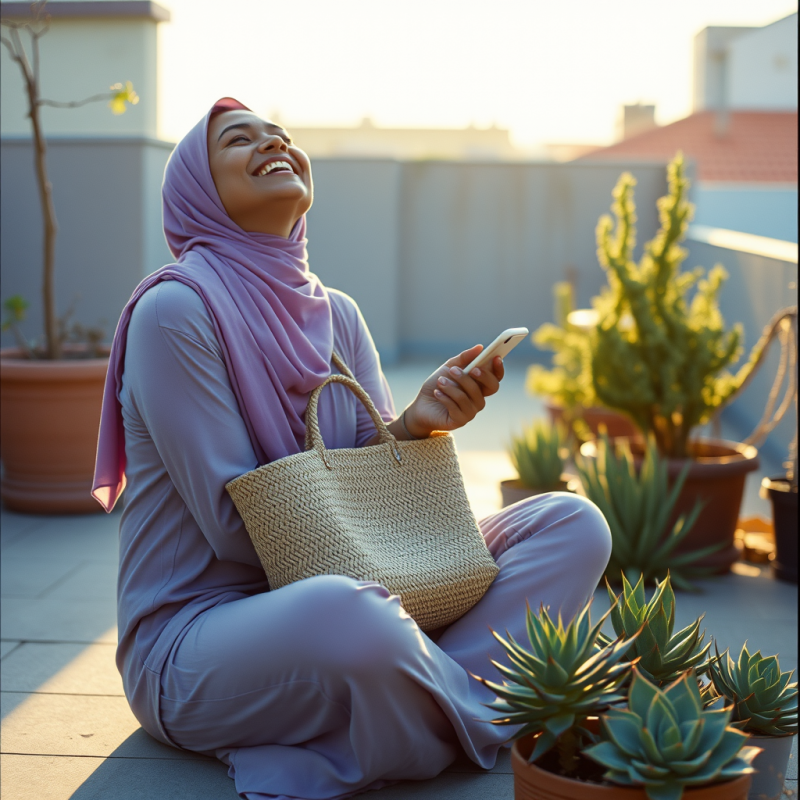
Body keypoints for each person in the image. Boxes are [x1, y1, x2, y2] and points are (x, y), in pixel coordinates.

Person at [93, 97, 612, 800]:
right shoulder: (173, 312)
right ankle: (474, 713)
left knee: (573, 525)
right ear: (197, 191)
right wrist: (382, 598)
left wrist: (418, 426)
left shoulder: (338, 313)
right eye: (239, 140)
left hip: (362, 594)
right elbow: (234, 527)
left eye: (280, 135)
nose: (273, 144)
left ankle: (401, 706)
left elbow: (374, 478)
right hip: (198, 638)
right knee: (349, 615)